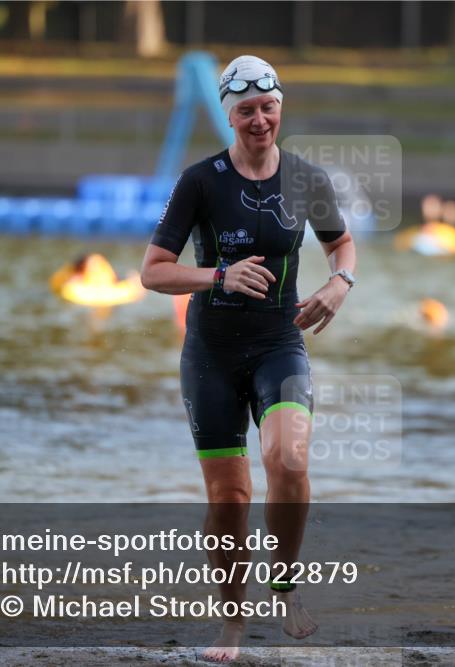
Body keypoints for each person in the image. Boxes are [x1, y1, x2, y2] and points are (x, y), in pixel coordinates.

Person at [140, 54, 357, 663]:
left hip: (278, 343)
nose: (258, 120)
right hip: (210, 353)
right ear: (230, 116)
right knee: (230, 499)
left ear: (280, 109)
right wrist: (218, 276)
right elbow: (152, 273)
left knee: (287, 458)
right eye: (245, 111)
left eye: (267, 108)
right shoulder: (200, 181)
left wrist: (341, 284)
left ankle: (284, 588)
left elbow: (341, 243)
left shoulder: (308, 179)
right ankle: (232, 622)